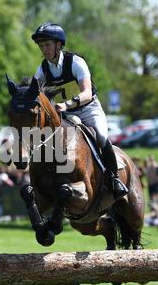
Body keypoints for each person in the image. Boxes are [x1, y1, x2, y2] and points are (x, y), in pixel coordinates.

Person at [31, 23, 128, 200]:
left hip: (88, 109)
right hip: (66, 116)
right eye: (41, 46)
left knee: (101, 136)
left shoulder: (75, 62)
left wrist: (66, 105)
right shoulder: (43, 69)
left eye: (47, 45)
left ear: (58, 45)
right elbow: (34, 93)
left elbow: (87, 93)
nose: (44, 50)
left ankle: (114, 180)